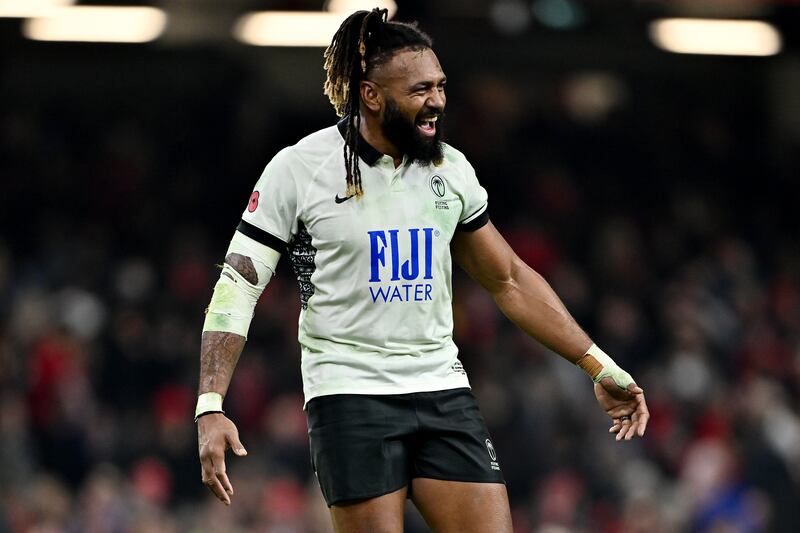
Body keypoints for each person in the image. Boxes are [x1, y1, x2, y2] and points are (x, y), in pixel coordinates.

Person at [195, 8, 649, 532]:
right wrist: (211, 404)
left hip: (440, 388)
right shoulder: (298, 169)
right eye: (419, 90)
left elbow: (509, 278)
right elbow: (238, 285)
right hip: (349, 393)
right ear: (371, 95)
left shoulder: (450, 170)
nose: (437, 101)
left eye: (440, 86)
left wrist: (597, 364)